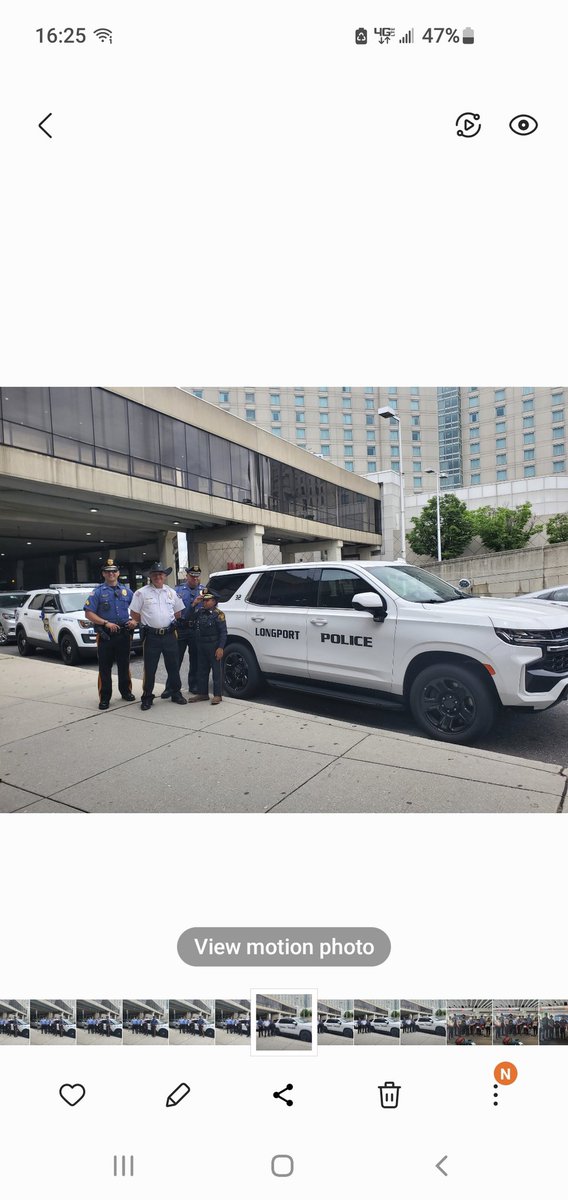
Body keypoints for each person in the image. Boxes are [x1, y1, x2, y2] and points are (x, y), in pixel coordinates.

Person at [129, 563, 188, 710]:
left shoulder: (171, 592)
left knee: (173, 666)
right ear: (150, 576)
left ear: (165, 576)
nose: (158, 577)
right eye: (155, 574)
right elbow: (134, 614)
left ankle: (176, 693)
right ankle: (147, 697)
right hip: (152, 636)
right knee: (150, 668)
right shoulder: (141, 593)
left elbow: (178, 613)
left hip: (169, 635)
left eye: (161, 574)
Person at [83, 561, 136, 709]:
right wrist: (105, 623)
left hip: (124, 633)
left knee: (124, 665)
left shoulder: (127, 591)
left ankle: (126, 692)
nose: (111, 574)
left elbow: (137, 608)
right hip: (106, 635)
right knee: (105, 667)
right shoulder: (98, 592)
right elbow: (88, 613)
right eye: (108, 572)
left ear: (118, 573)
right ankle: (105, 697)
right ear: (104, 574)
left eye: (114, 571)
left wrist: (134, 620)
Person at [162, 565, 204, 698]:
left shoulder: (204, 591)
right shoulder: (178, 591)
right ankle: (170, 687)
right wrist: (193, 605)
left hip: (196, 629)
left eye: (197, 576)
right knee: (175, 659)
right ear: (187, 576)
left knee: (195, 659)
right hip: (181, 628)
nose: (195, 579)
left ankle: (194, 685)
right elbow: (177, 612)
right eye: (192, 576)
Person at [188, 589, 227, 705]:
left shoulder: (218, 614)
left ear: (214, 601)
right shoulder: (199, 612)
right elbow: (188, 617)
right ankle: (203, 693)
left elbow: (223, 632)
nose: (204, 603)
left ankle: (217, 695)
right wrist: (194, 604)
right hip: (201, 645)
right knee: (202, 670)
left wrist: (220, 648)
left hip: (214, 645)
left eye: (207, 600)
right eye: (203, 600)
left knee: (216, 671)